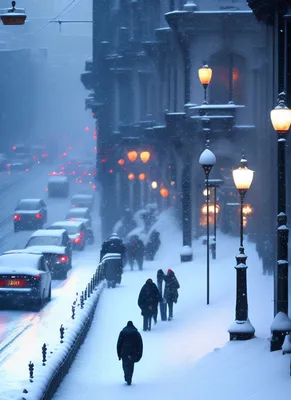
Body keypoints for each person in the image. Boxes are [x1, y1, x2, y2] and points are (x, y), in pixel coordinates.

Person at [117, 321, 143, 385]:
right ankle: (129, 378)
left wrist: (119, 354)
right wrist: (139, 354)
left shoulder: (122, 332)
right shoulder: (136, 333)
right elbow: (140, 344)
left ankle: (126, 376)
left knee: (125, 365)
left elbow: (119, 344)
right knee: (131, 366)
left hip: (124, 352)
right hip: (133, 352)